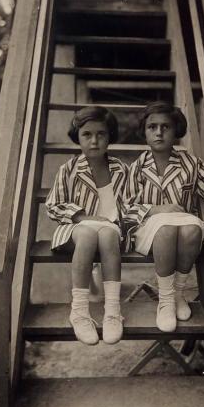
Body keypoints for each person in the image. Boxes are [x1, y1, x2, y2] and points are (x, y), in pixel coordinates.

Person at [125, 101, 204, 332]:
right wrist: (158, 209)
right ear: (144, 132)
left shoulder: (191, 164)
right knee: (166, 229)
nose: (159, 132)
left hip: (183, 224)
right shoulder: (137, 167)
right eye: (152, 127)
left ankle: (177, 294)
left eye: (165, 127)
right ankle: (165, 301)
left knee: (193, 228)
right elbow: (125, 206)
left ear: (176, 130)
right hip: (150, 228)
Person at [46, 106, 128, 345]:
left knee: (108, 233)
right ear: (77, 137)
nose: (94, 141)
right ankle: (80, 311)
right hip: (75, 230)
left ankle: (112, 311)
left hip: (111, 233)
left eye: (101, 134)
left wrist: (116, 224)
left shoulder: (121, 169)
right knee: (91, 233)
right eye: (87, 135)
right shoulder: (69, 169)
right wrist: (83, 217)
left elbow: (131, 204)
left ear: (109, 137)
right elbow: (53, 205)